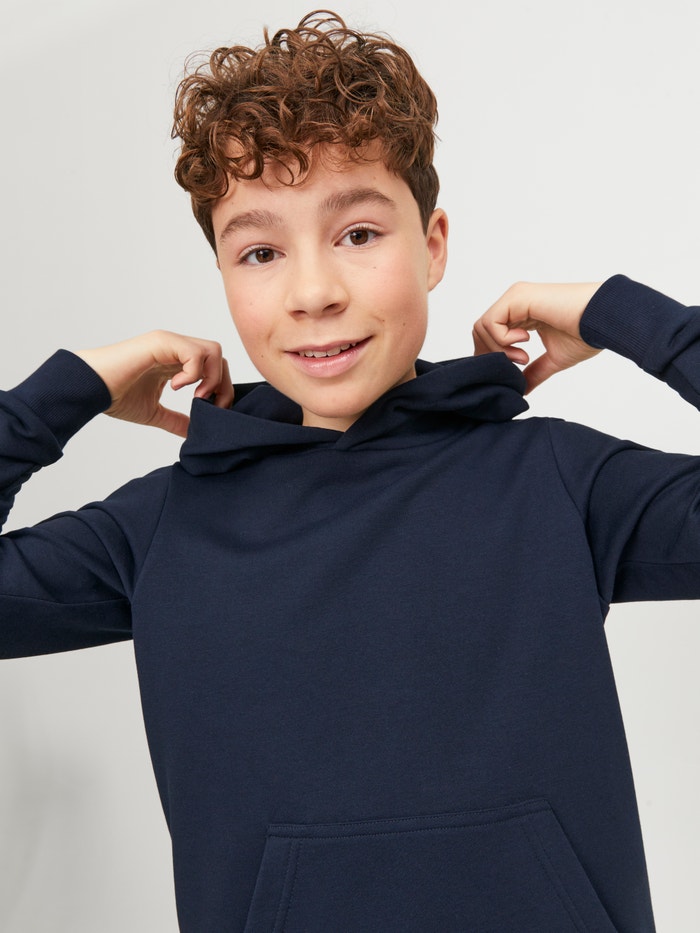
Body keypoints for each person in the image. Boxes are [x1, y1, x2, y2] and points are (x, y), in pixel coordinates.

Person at [1, 10, 698, 932]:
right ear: (223, 277)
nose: (314, 291)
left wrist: (622, 312)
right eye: (260, 252)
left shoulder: (558, 480)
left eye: (359, 233)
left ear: (433, 245)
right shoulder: (161, 525)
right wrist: (66, 392)